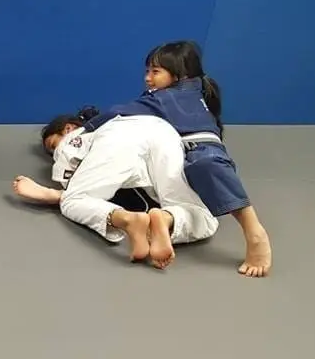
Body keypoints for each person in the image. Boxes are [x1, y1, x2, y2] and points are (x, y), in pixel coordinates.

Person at [79, 41, 272, 277]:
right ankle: (164, 219)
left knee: (206, 171)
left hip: (201, 151)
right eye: (147, 71)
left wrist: (85, 128)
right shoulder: (193, 92)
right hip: (182, 153)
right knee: (189, 202)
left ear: (181, 75)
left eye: (155, 72)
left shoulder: (166, 97)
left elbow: (119, 112)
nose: (148, 78)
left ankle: (255, 232)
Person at [13, 113, 219, 269]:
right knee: (204, 217)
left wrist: (57, 194)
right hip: (162, 130)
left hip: (117, 139)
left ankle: (128, 220)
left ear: (68, 128)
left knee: (72, 200)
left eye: (52, 145)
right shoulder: (115, 119)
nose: (53, 152)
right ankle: (166, 219)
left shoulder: (72, 139)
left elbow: (76, 184)